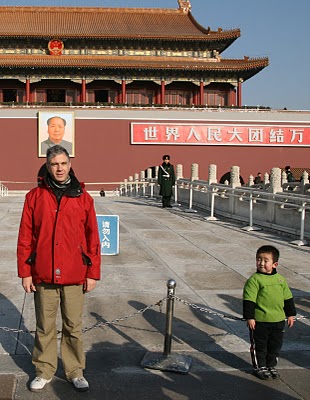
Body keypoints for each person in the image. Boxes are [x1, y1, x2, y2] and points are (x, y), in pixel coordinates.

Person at [17, 145, 101, 393]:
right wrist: (25, 272)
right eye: (55, 164)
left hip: (75, 272)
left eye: (64, 163)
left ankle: (75, 371)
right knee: (44, 326)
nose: (60, 168)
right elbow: (25, 236)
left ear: (70, 165)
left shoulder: (83, 198)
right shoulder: (34, 197)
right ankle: (44, 370)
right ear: (48, 165)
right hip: (43, 272)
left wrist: (92, 272)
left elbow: (92, 237)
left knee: (73, 326)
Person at [243, 245, 296, 380]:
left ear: (275, 264)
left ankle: (271, 365)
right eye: (258, 259)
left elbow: (287, 298)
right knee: (260, 346)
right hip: (260, 321)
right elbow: (249, 300)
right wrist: (250, 317)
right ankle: (260, 367)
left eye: (266, 260)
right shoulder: (254, 280)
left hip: (278, 321)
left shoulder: (280, 280)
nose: (261, 263)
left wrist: (290, 314)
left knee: (275, 346)